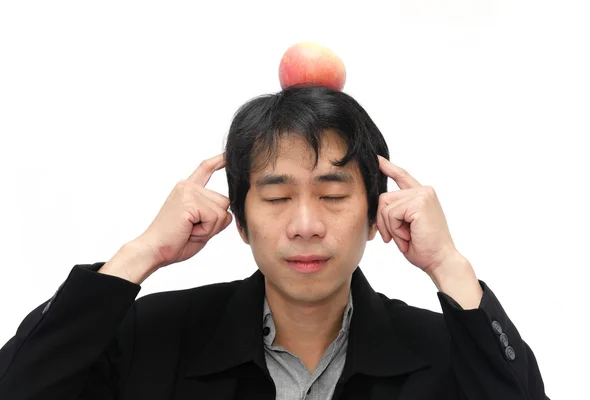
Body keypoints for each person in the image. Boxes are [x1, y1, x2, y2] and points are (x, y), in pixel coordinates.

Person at [0, 86, 548, 399]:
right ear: (238, 218)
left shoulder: (444, 351)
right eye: (277, 196)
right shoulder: (150, 338)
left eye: (333, 195)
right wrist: (142, 252)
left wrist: (449, 264)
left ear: (375, 213)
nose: (305, 224)